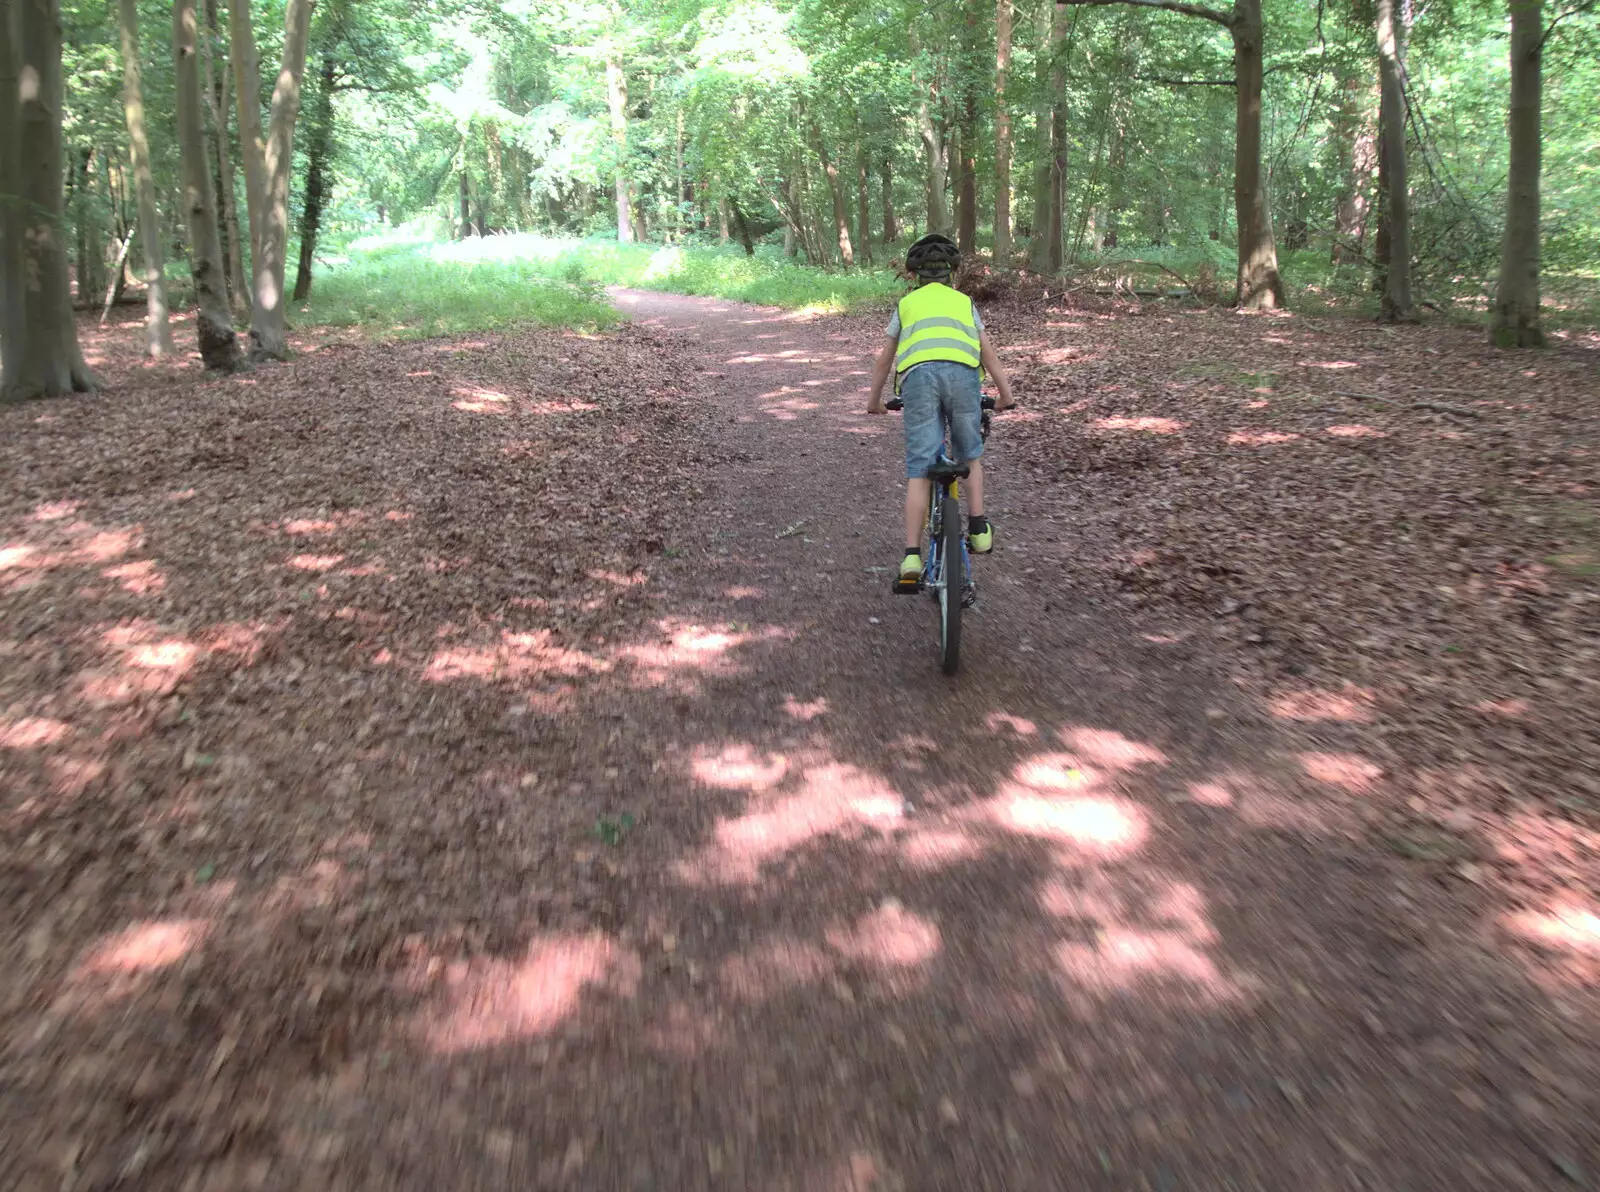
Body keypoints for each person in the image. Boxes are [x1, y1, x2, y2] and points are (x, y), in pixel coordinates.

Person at [867, 233, 1016, 592]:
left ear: (915, 276)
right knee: (970, 455)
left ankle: (912, 557)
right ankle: (979, 529)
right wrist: (1005, 395)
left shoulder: (906, 306)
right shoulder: (964, 303)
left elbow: (885, 359)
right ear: (952, 274)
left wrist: (874, 401)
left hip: (918, 379)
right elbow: (988, 354)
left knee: (920, 468)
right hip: (964, 376)